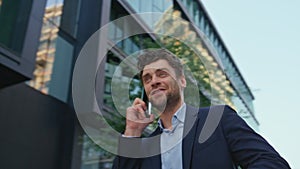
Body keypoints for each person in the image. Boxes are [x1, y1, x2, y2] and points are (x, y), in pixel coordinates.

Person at [112, 48, 290, 169]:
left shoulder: (218, 119)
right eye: (147, 78)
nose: (154, 81)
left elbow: (271, 163)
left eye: (162, 74)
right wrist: (132, 131)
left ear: (182, 81)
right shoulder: (145, 146)